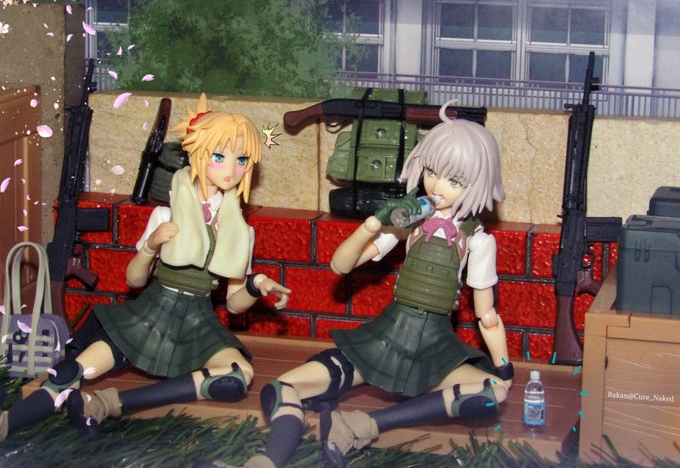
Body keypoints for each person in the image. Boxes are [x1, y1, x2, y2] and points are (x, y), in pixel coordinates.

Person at [232, 102, 512, 468]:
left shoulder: (478, 240)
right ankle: (268, 461)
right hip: (383, 340)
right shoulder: (411, 219)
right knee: (282, 386)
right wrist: (372, 225)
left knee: (493, 392)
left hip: (435, 349)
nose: (437, 185)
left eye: (454, 180)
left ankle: (362, 425)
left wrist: (503, 366)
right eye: (431, 171)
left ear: (478, 184)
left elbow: (487, 315)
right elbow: (341, 264)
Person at [0, 94, 290, 439]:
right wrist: (151, 247)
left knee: (235, 377)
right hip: (153, 309)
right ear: (197, 154)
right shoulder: (167, 214)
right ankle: (7, 422)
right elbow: (134, 280)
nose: (232, 169)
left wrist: (257, 285)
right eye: (219, 156)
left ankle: (106, 404)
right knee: (74, 370)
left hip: (198, 319)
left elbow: (234, 303)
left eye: (241, 159)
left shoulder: (238, 230)